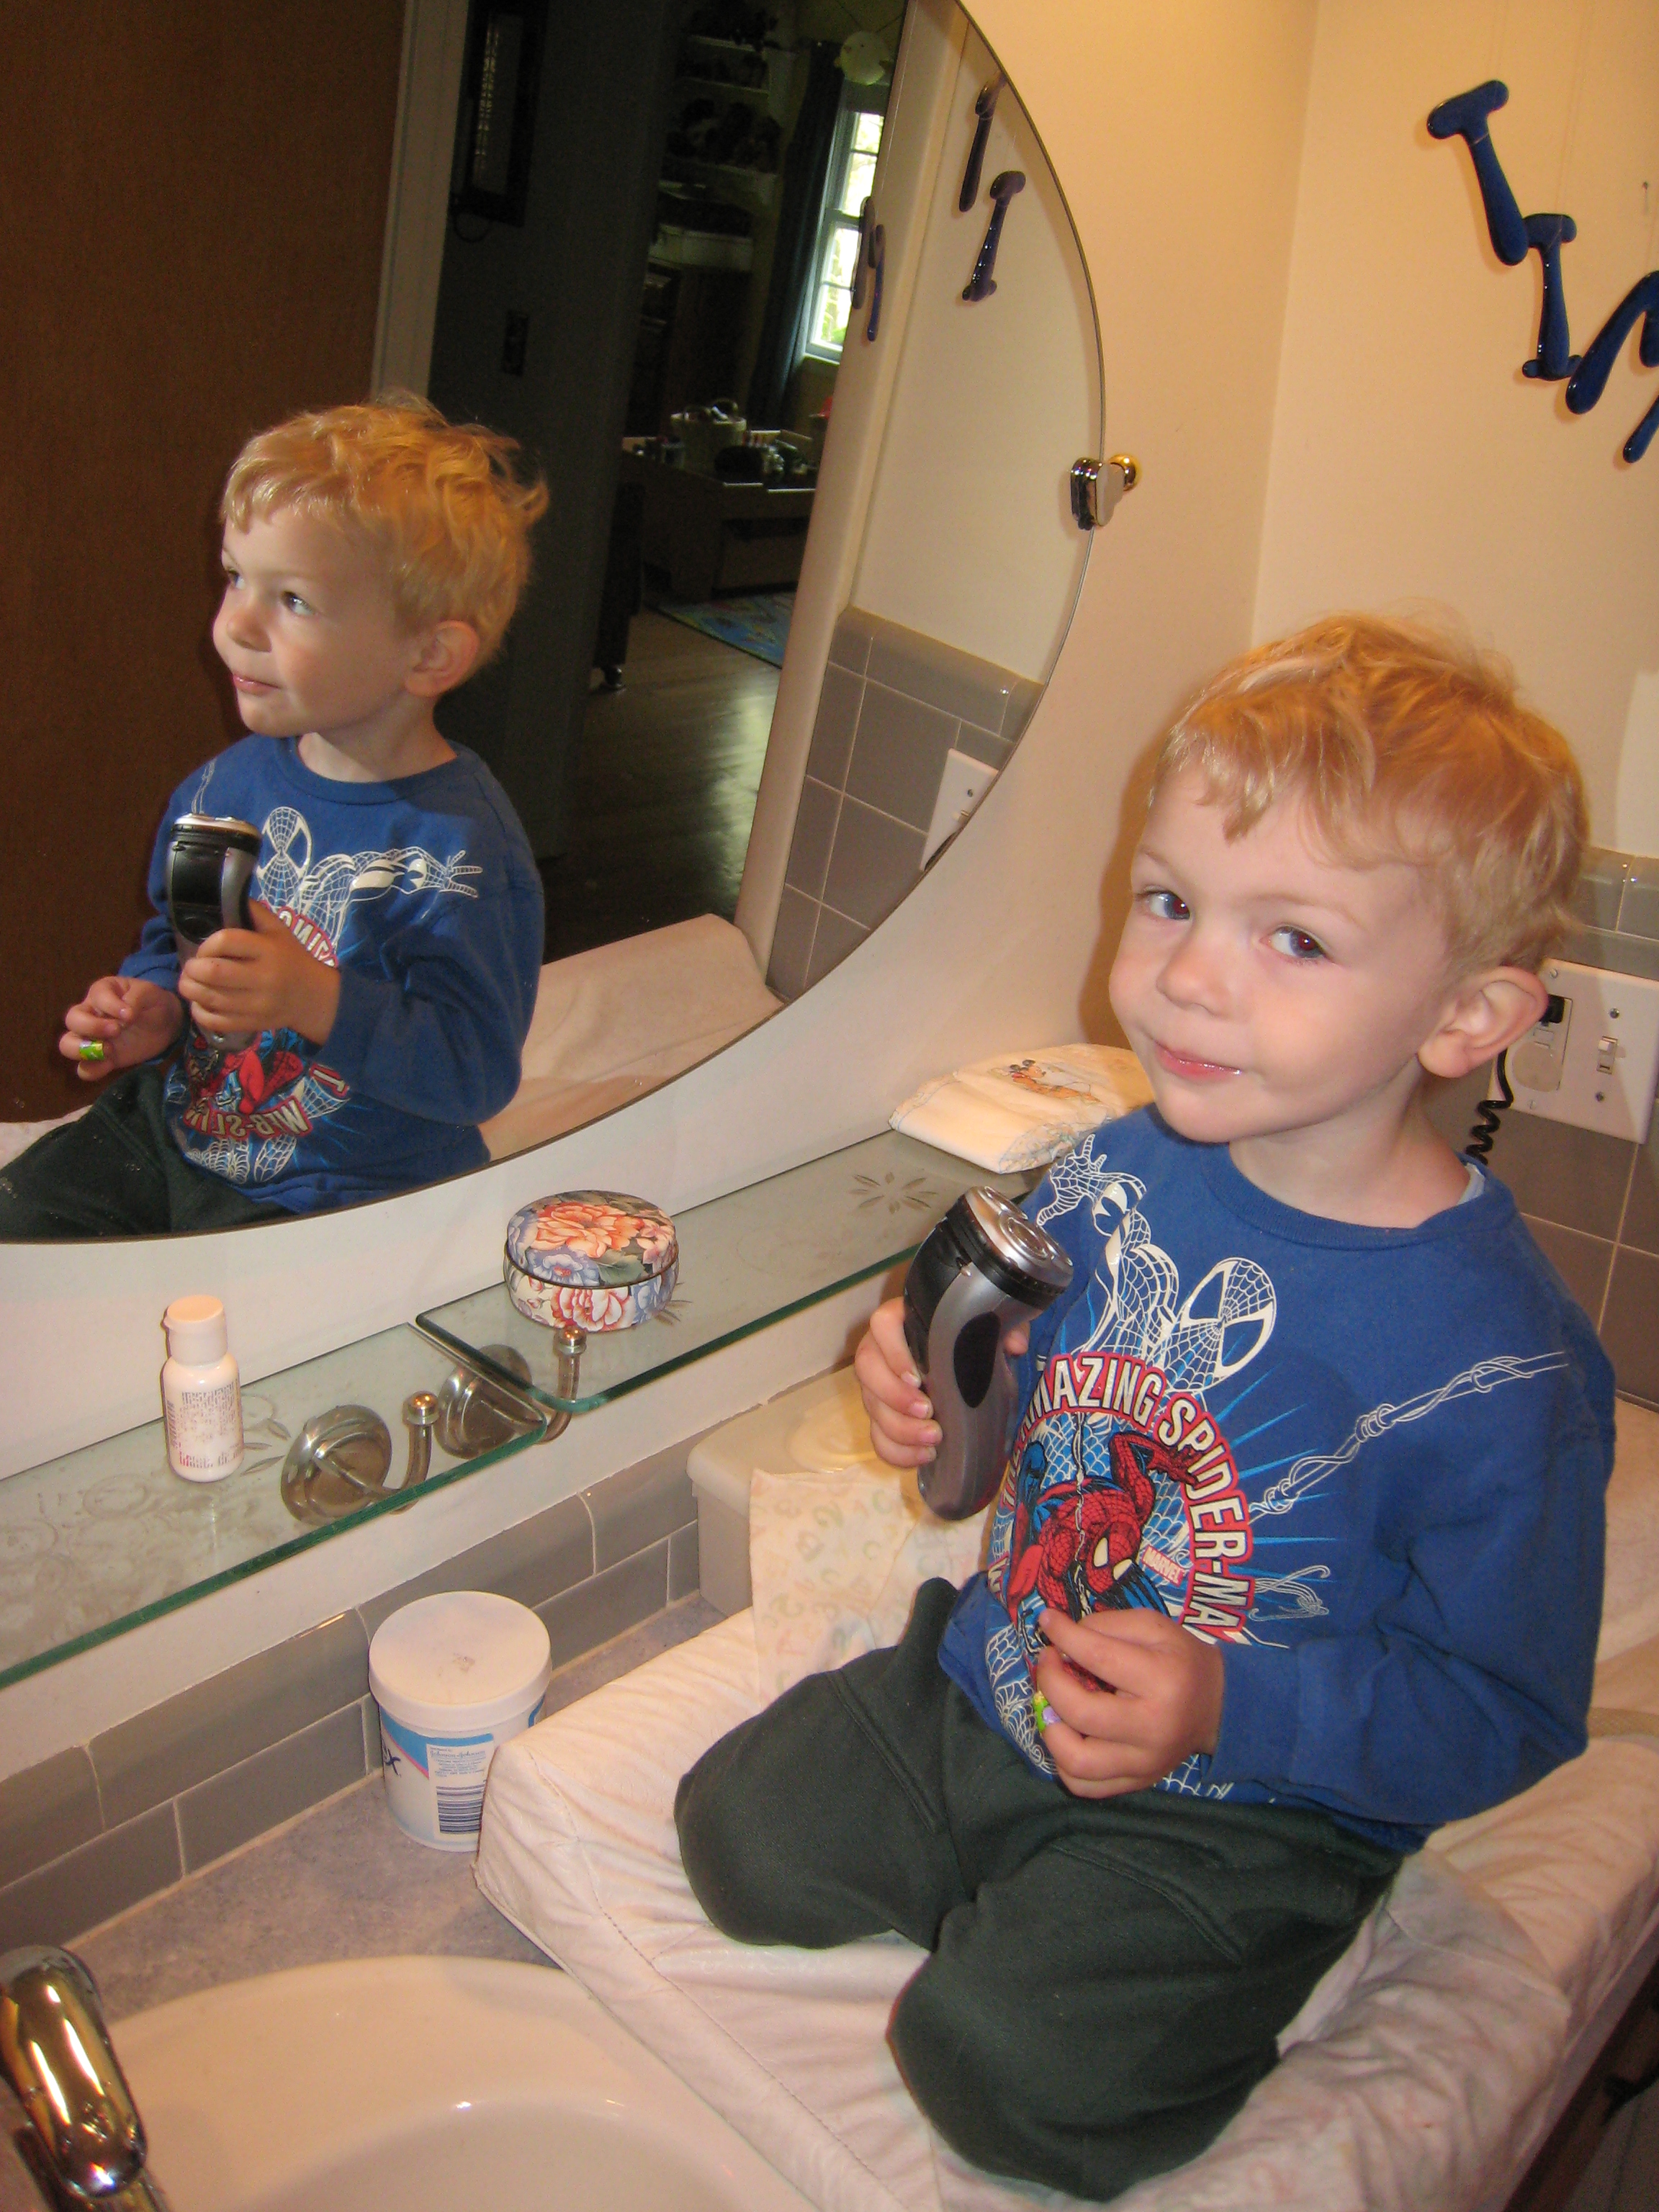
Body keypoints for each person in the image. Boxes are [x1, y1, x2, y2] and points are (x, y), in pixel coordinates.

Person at [675, 613, 1617, 2201]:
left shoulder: (1499, 1369)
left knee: (1001, 2071)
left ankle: (1235, 1950)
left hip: (1244, 1807)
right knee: (736, 1839)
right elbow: (1000, 1323)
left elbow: (1507, 1708)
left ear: (1465, 1018)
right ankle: (1024, 1887)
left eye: (1292, 939)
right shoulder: (1120, 1160)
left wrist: (1230, 1707)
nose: (1184, 975)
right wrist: (918, 1362)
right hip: (997, 1676)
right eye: (1170, 900)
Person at [1, 395, 548, 1238]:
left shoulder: (462, 851)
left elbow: (473, 1073)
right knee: (22, 1231)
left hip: (340, 1187)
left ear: (429, 654)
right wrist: (155, 1007)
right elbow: (179, 944)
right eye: (235, 578)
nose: (236, 626)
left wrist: (316, 997)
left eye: (293, 599)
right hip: (179, 1129)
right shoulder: (220, 787)